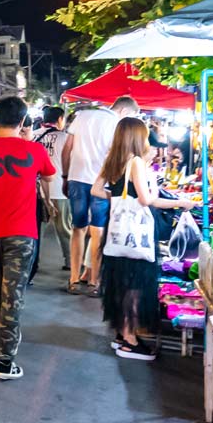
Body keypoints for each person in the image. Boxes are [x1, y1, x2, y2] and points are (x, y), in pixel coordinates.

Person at [0, 96, 56, 380]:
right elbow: (49, 178)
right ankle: (4, 360)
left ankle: (4, 343)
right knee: (13, 294)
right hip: (23, 233)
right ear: (22, 120)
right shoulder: (35, 150)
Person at [92, 116, 194, 359]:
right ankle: (130, 340)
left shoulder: (113, 161)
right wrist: (181, 202)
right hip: (136, 237)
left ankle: (122, 333)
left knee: (122, 284)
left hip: (117, 235)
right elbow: (147, 200)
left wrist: (116, 199)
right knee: (135, 287)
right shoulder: (135, 162)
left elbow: (96, 190)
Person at [64, 95, 139, 293]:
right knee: (97, 230)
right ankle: (94, 282)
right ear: (124, 111)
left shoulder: (82, 115)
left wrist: (65, 175)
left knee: (77, 228)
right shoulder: (118, 125)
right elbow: (117, 156)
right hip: (102, 181)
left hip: (76, 178)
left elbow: (67, 149)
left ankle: (73, 279)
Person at [33, 107, 75, 286]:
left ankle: (33, 262)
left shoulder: (34, 136)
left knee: (34, 230)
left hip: (34, 190)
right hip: (58, 188)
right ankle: (70, 261)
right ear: (60, 119)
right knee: (64, 228)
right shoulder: (65, 138)